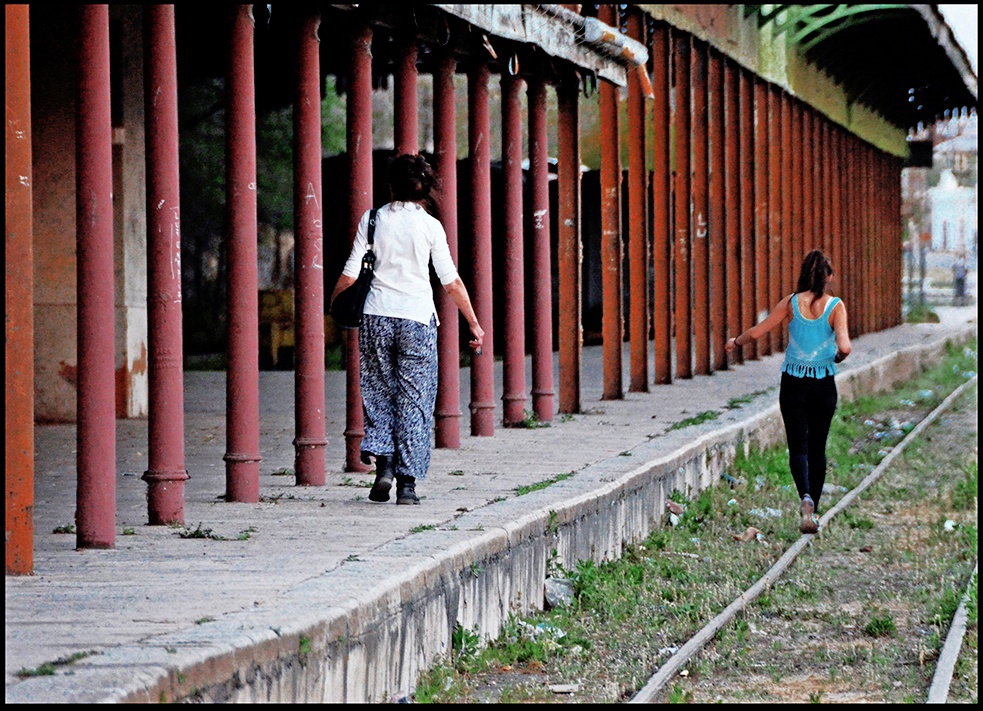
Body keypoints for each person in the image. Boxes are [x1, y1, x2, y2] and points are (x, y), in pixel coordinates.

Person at [330, 154, 484, 505]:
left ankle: (384, 466)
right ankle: (408, 487)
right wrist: (473, 323)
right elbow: (451, 281)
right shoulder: (431, 226)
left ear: (390, 185)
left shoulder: (372, 220)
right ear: (425, 189)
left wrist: (335, 302)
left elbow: (352, 273)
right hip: (417, 318)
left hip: (376, 316)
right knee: (414, 401)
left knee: (379, 392)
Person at [725, 250, 852, 534]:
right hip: (823, 384)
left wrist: (736, 341)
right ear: (829, 277)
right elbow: (845, 347)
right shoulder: (836, 306)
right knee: (818, 449)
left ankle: (804, 496)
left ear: (804, 274)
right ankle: (813, 511)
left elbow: (758, 333)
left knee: (798, 447)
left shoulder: (791, 303)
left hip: (793, 383)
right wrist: (835, 359)